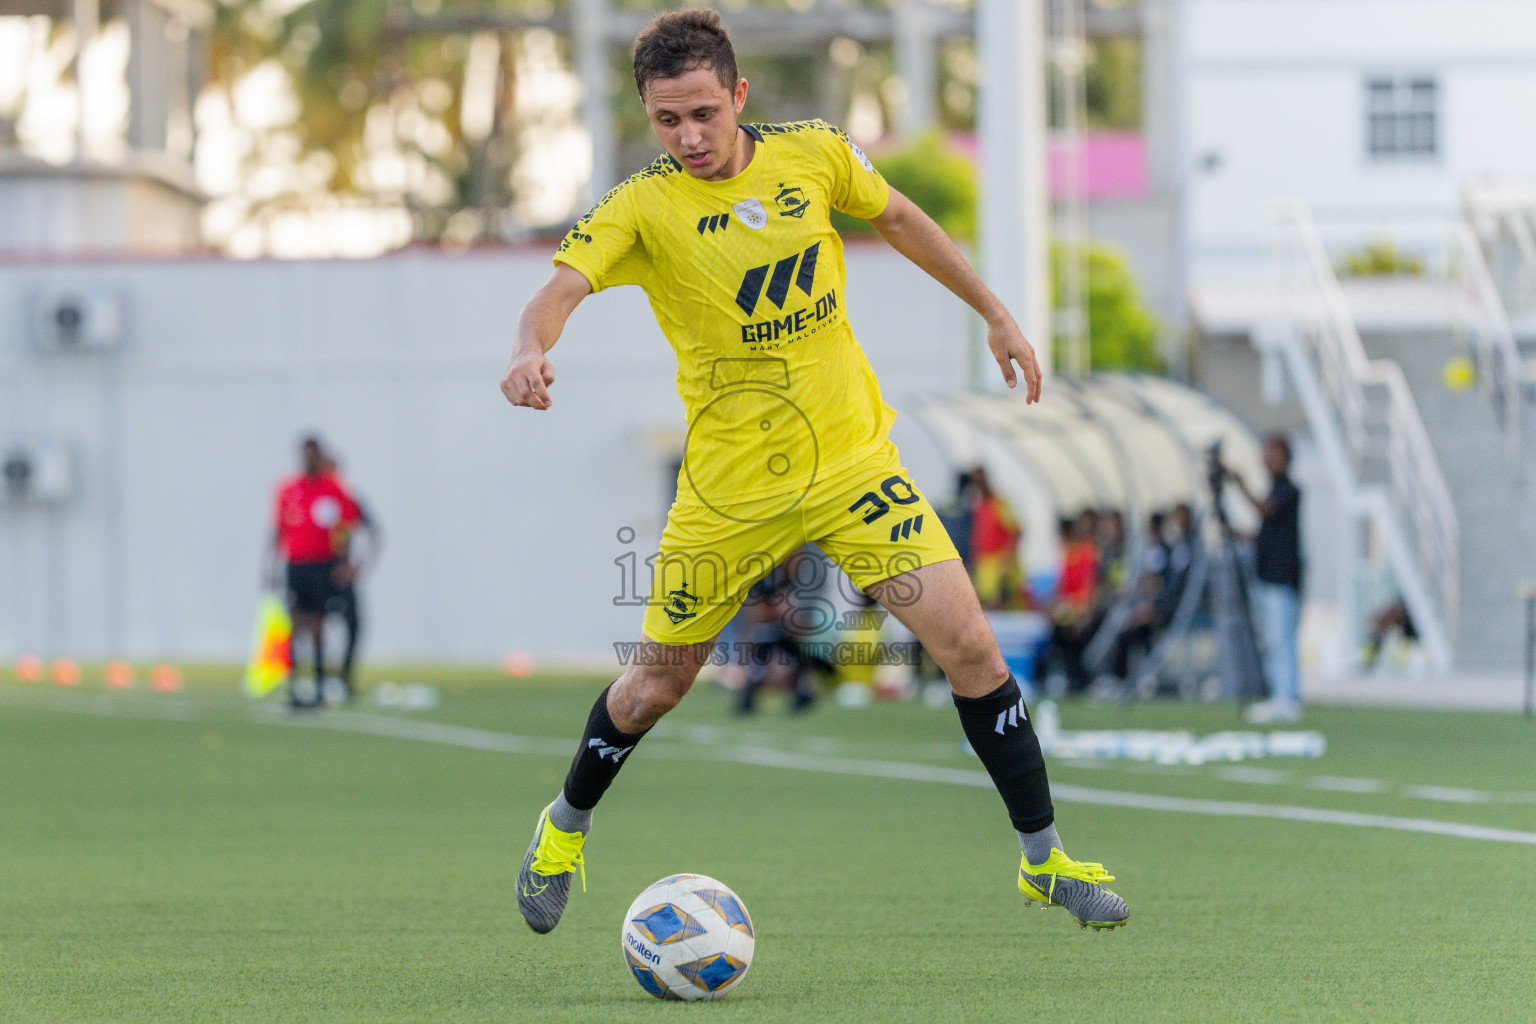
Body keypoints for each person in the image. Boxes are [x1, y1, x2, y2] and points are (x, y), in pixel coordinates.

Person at [501, 8, 1127, 938]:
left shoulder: (814, 155)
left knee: (972, 651)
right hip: (729, 492)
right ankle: (562, 831)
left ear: (740, 94)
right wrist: (527, 349)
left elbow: (903, 218)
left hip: (852, 467)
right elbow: (557, 291)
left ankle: (1045, 862)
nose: (689, 137)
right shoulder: (640, 208)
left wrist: (994, 312)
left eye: (705, 113)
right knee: (653, 689)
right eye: (667, 120)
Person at [267, 437, 360, 709]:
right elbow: (279, 530)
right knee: (296, 625)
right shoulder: (288, 489)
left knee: (318, 625)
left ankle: (319, 687)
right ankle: (295, 686)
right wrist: (272, 567)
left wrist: (344, 561)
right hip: (296, 564)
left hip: (322, 564)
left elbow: (345, 526)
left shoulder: (333, 489)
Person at [1229, 435, 1303, 723]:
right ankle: (1279, 695)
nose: (1266, 459)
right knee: (1272, 642)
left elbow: (1266, 510)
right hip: (1266, 576)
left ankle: (1287, 697)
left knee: (1281, 640)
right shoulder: (1275, 489)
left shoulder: (1289, 490)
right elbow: (1266, 534)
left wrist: (1237, 483)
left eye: (1271, 453)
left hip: (1281, 577)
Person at [319, 454, 381, 704]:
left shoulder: (346, 498)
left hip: (339, 571)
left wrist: (358, 566)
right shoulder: (308, 497)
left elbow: (373, 532)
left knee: (354, 622)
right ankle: (318, 678)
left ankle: (344, 676)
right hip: (314, 570)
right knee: (311, 625)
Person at [969, 467, 1024, 610]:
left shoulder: (999, 504)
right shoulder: (978, 507)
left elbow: (1016, 531)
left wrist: (1006, 562)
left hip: (1000, 570)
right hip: (985, 572)